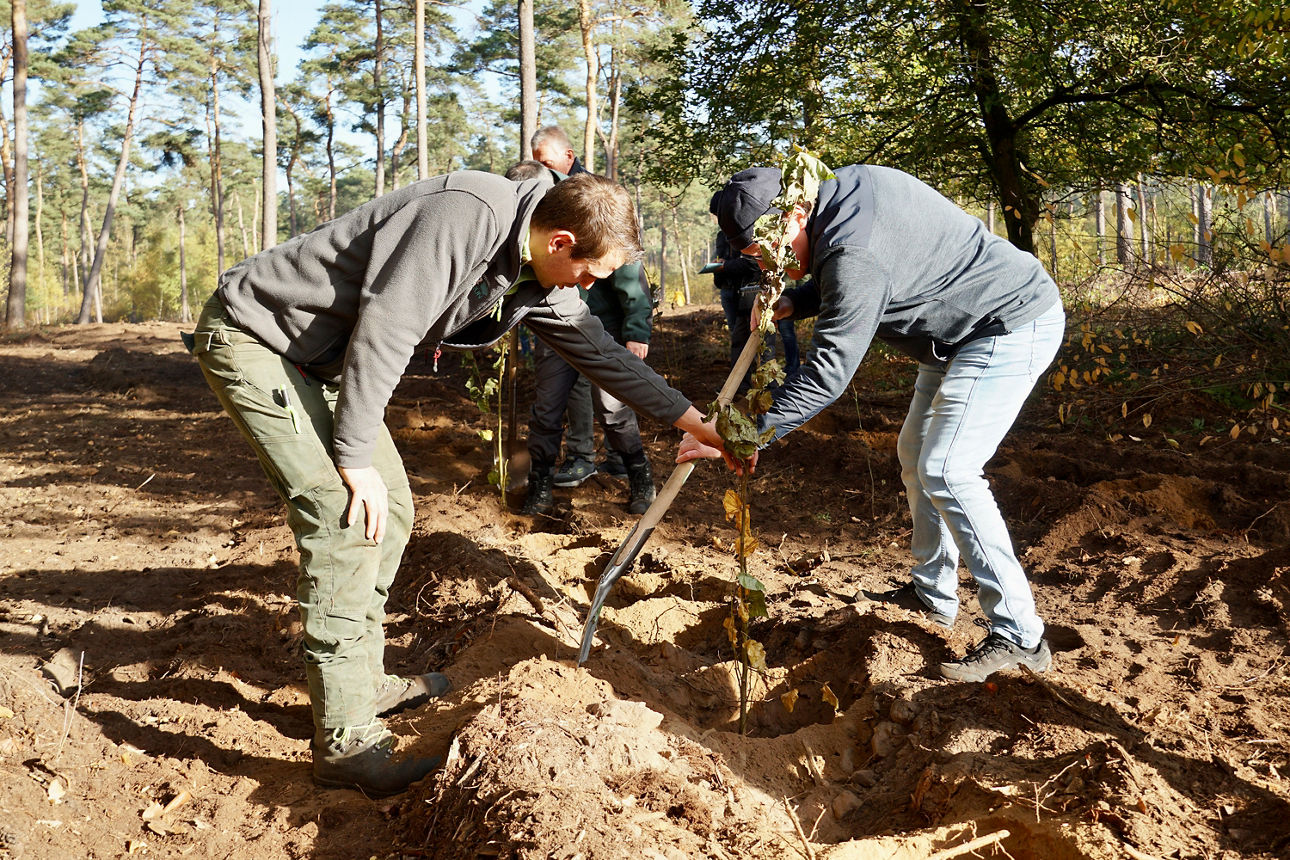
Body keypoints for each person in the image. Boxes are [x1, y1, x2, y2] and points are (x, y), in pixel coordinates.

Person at [186, 169, 722, 797]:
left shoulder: (535, 271)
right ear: (562, 242)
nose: (589, 286)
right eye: (590, 272)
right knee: (343, 515)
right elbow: (387, 327)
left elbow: (599, 352)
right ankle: (346, 742)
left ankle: (358, 683)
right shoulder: (466, 216)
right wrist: (353, 454)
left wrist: (695, 422)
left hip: (320, 358)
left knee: (394, 513)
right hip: (259, 338)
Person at [683, 163, 1065, 683]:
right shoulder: (843, 189)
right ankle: (933, 596)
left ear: (795, 212)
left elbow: (828, 371)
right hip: (955, 332)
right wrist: (798, 300)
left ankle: (1022, 635)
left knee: (948, 469)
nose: (768, 264)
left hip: (1006, 323)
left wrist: (753, 434)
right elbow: (873, 263)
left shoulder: (853, 257)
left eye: (766, 249)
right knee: (917, 457)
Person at [525, 128, 658, 506]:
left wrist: (636, 330)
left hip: (603, 326)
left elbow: (630, 274)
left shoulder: (599, 197)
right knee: (548, 408)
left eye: (546, 162)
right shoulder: (543, 199)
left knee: (614, 408)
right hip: (553, 323)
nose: (540, 168)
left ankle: (639, 478)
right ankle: (540, 485)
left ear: (568, 156)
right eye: (536, 162)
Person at [709, 227, 800, 387]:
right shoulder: (722, 237)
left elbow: (751, 263)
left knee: (767, 341)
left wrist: (727, 266)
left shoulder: (756, 233)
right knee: (739, 340)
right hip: (741, 295)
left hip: (761, 291)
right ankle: (740, 385)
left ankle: (770, 385)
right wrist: (721, 269)